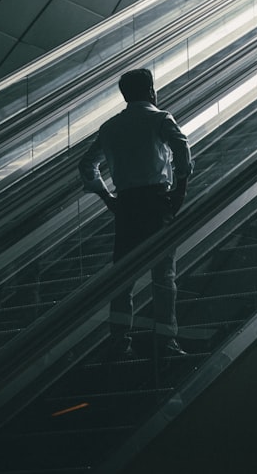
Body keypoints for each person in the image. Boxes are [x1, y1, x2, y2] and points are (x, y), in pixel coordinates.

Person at [78, 69, 194, 359]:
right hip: (156, 202)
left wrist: (107, 197)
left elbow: (86, 164)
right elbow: (181, 146)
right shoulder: (160, 118)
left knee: (123, 276)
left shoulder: (109, 127)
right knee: (163, 276)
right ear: (151, 91)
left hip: (127, 205)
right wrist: (181, 185)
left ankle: (119, 340)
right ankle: (166, 340)